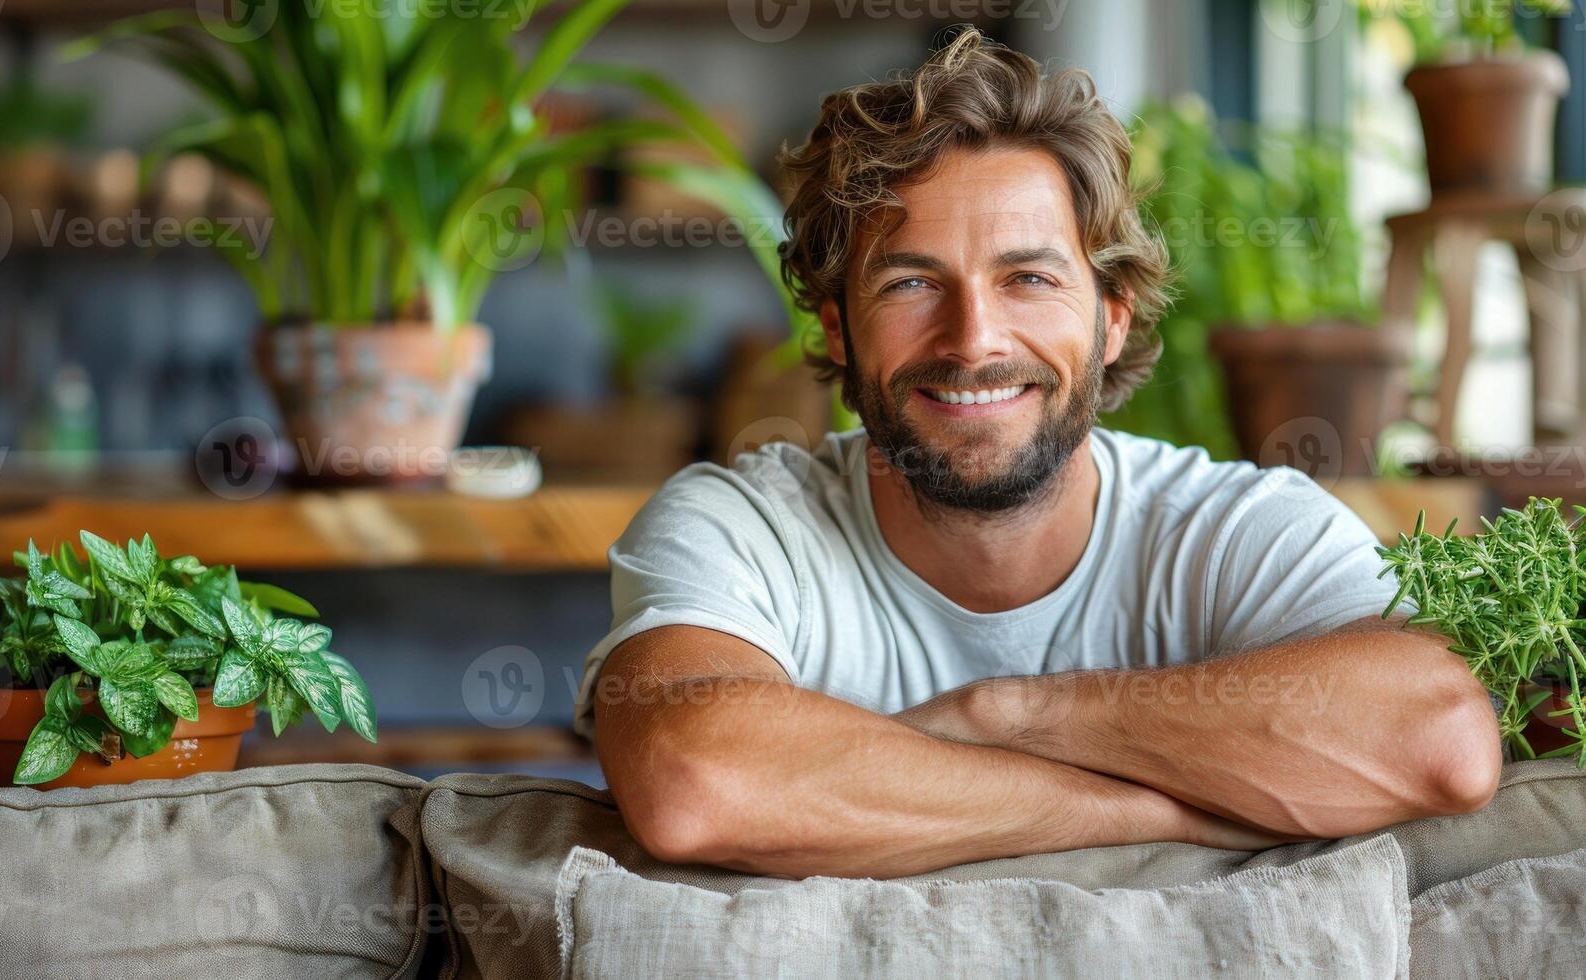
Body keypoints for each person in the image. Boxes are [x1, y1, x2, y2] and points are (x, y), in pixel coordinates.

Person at [574, 28, 1502, 879]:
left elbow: (1439, 739)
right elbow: (693, 775)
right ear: (838, 330)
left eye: (1027, 278)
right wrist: (1151, 812)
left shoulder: (1234, 529)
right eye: (909, 282)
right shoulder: (740, 526)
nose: (973, 339)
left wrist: (1005, 715)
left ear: (1110, 318)